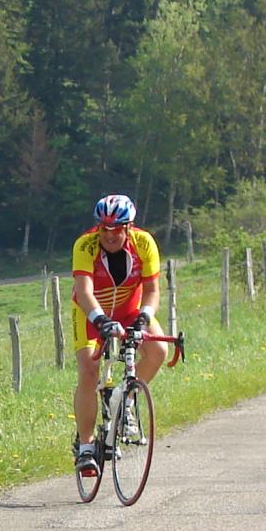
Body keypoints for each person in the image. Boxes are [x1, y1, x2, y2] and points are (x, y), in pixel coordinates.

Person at [70, 194, 165, 476]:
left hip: (129, 309)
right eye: (103, 228)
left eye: (116, 228)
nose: (109, 234)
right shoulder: (85, 245)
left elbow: (152, 290)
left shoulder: (144, 243)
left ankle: (127, 399)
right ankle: (85, 445)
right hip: (90, 311)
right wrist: (99, 320)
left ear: (128, 227)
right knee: (89, 369)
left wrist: (144, 316)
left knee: (159, 349)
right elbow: (84, 291)